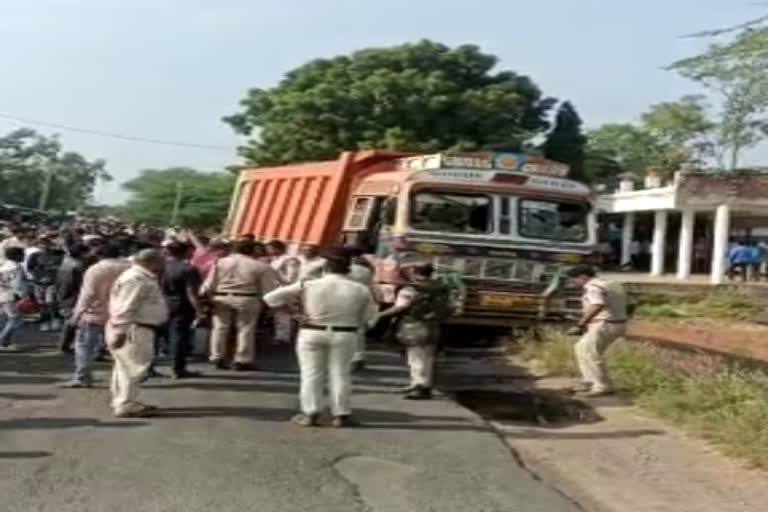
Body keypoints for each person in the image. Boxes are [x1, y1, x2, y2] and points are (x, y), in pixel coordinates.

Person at [264, 248, 377, 427]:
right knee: (340, 374)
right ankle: (341, 414)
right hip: (345, 332)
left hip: (311, 330)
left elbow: (270, 298)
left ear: (325, 269)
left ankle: (310, 413)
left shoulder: (308, 284)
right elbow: (370, 317)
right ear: (347, 270)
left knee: (311, 374)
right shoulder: (360, 289)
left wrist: (295, 314)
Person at [373, 263, 453, 400]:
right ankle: (425, 384)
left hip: (413, 324)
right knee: (428, 356)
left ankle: (419, 386)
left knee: (415, 357)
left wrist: (380, 315)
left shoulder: (410, 289)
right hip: (435, 325)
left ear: (415, 272)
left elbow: (400, 307)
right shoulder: (441, 288)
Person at [106, 248, 169, 418]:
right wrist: (120, 331)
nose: (164, 263)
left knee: (125, 367)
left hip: (135, 327)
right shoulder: (135, 279)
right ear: (151, 261)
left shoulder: (140, 277)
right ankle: (126, 404)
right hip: (134, 328)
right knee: (132, 368)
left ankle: (123, 400)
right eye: (161, 260)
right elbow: (126, 307)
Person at [201, 239, 279, 371]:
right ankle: (242, 359)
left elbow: (210, 282)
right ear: (252, 250)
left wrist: (205, 296)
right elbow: (267, 289)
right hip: (247, 298)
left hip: (221, 296)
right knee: (245, 329)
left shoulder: (220, 262)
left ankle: (217, 356)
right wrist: (269, 304)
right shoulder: (260, 266)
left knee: (220, 328)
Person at [63, 243, 130, 388]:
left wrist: (77, 314)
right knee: (122, 347)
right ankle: (124, 378)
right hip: (122, 313)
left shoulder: (96, 269)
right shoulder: (130, 268)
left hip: (95, 313)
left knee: (84, 346)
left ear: (100, 255)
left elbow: (88, 294)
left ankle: (83, 376)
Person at [565, 265, 628, 397]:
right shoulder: (610, 284)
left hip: (604, 324)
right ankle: (590, 382)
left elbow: (597, 305)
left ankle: (601, 386)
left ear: (583, 277)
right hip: (616, 323)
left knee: (589, 353)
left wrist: (580, 325)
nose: (572, 283)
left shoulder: (593, 287)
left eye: (574, 280)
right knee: (581, 348)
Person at [161, 242, 203, 379]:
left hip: (162, 302)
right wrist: (199, 309)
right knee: (179, 336)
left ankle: (149, 367)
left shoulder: (160, 267)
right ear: (185, 252)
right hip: (181, 305)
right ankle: (177, 368)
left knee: (158, 335)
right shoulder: (189, 269)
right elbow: (191, 292)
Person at [26, 236, 65, 332]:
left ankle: (56, 320)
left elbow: (63, 268)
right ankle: (45, 322)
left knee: (51, 302)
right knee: (42, 304)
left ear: (50, 244)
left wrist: (55, 271)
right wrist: (38, 276)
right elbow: (30, 268)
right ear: (38, 245)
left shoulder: (59, 255)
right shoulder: (34, 255)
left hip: (52, 282)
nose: (44, 246)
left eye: (46, 243)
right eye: (41, 244)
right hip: (38, 283)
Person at [346, 247, 375, 372]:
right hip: (364, 298)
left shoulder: (348, 268)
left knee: (349, 329)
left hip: (348, 299)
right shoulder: (367, 268)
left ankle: (353, 358)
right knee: (359, 329)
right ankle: (359, 356)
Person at [267, 240, 301, 344]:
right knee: (280, 313)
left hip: (285, 289)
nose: (268, 251)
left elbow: (291, 277)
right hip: (277, 289)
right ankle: (283, 335)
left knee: (284, 313)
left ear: (277, 248)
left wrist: (277, 275)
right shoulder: (275, 260)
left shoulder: (289, 260)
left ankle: (283, 337)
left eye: (270, 248)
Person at [56, 243, 87, 353]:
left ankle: (65, 344)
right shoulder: (78, 266)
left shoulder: (65, 262)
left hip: (64, 294)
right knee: (71, 322)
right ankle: (64, 345)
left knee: (69, 321)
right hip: (72, 296)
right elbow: (78, 284)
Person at [0, 247, 28, 351]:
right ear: (16, 256)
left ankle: (6, 343)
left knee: (6, 319)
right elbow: (18, 284)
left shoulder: (3, 266)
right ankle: (2, 341)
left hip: (2, 294)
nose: (24, 257)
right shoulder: (16, 267)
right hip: (11, 296)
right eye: (22, 254)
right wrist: (24, 296)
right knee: (15, 319)